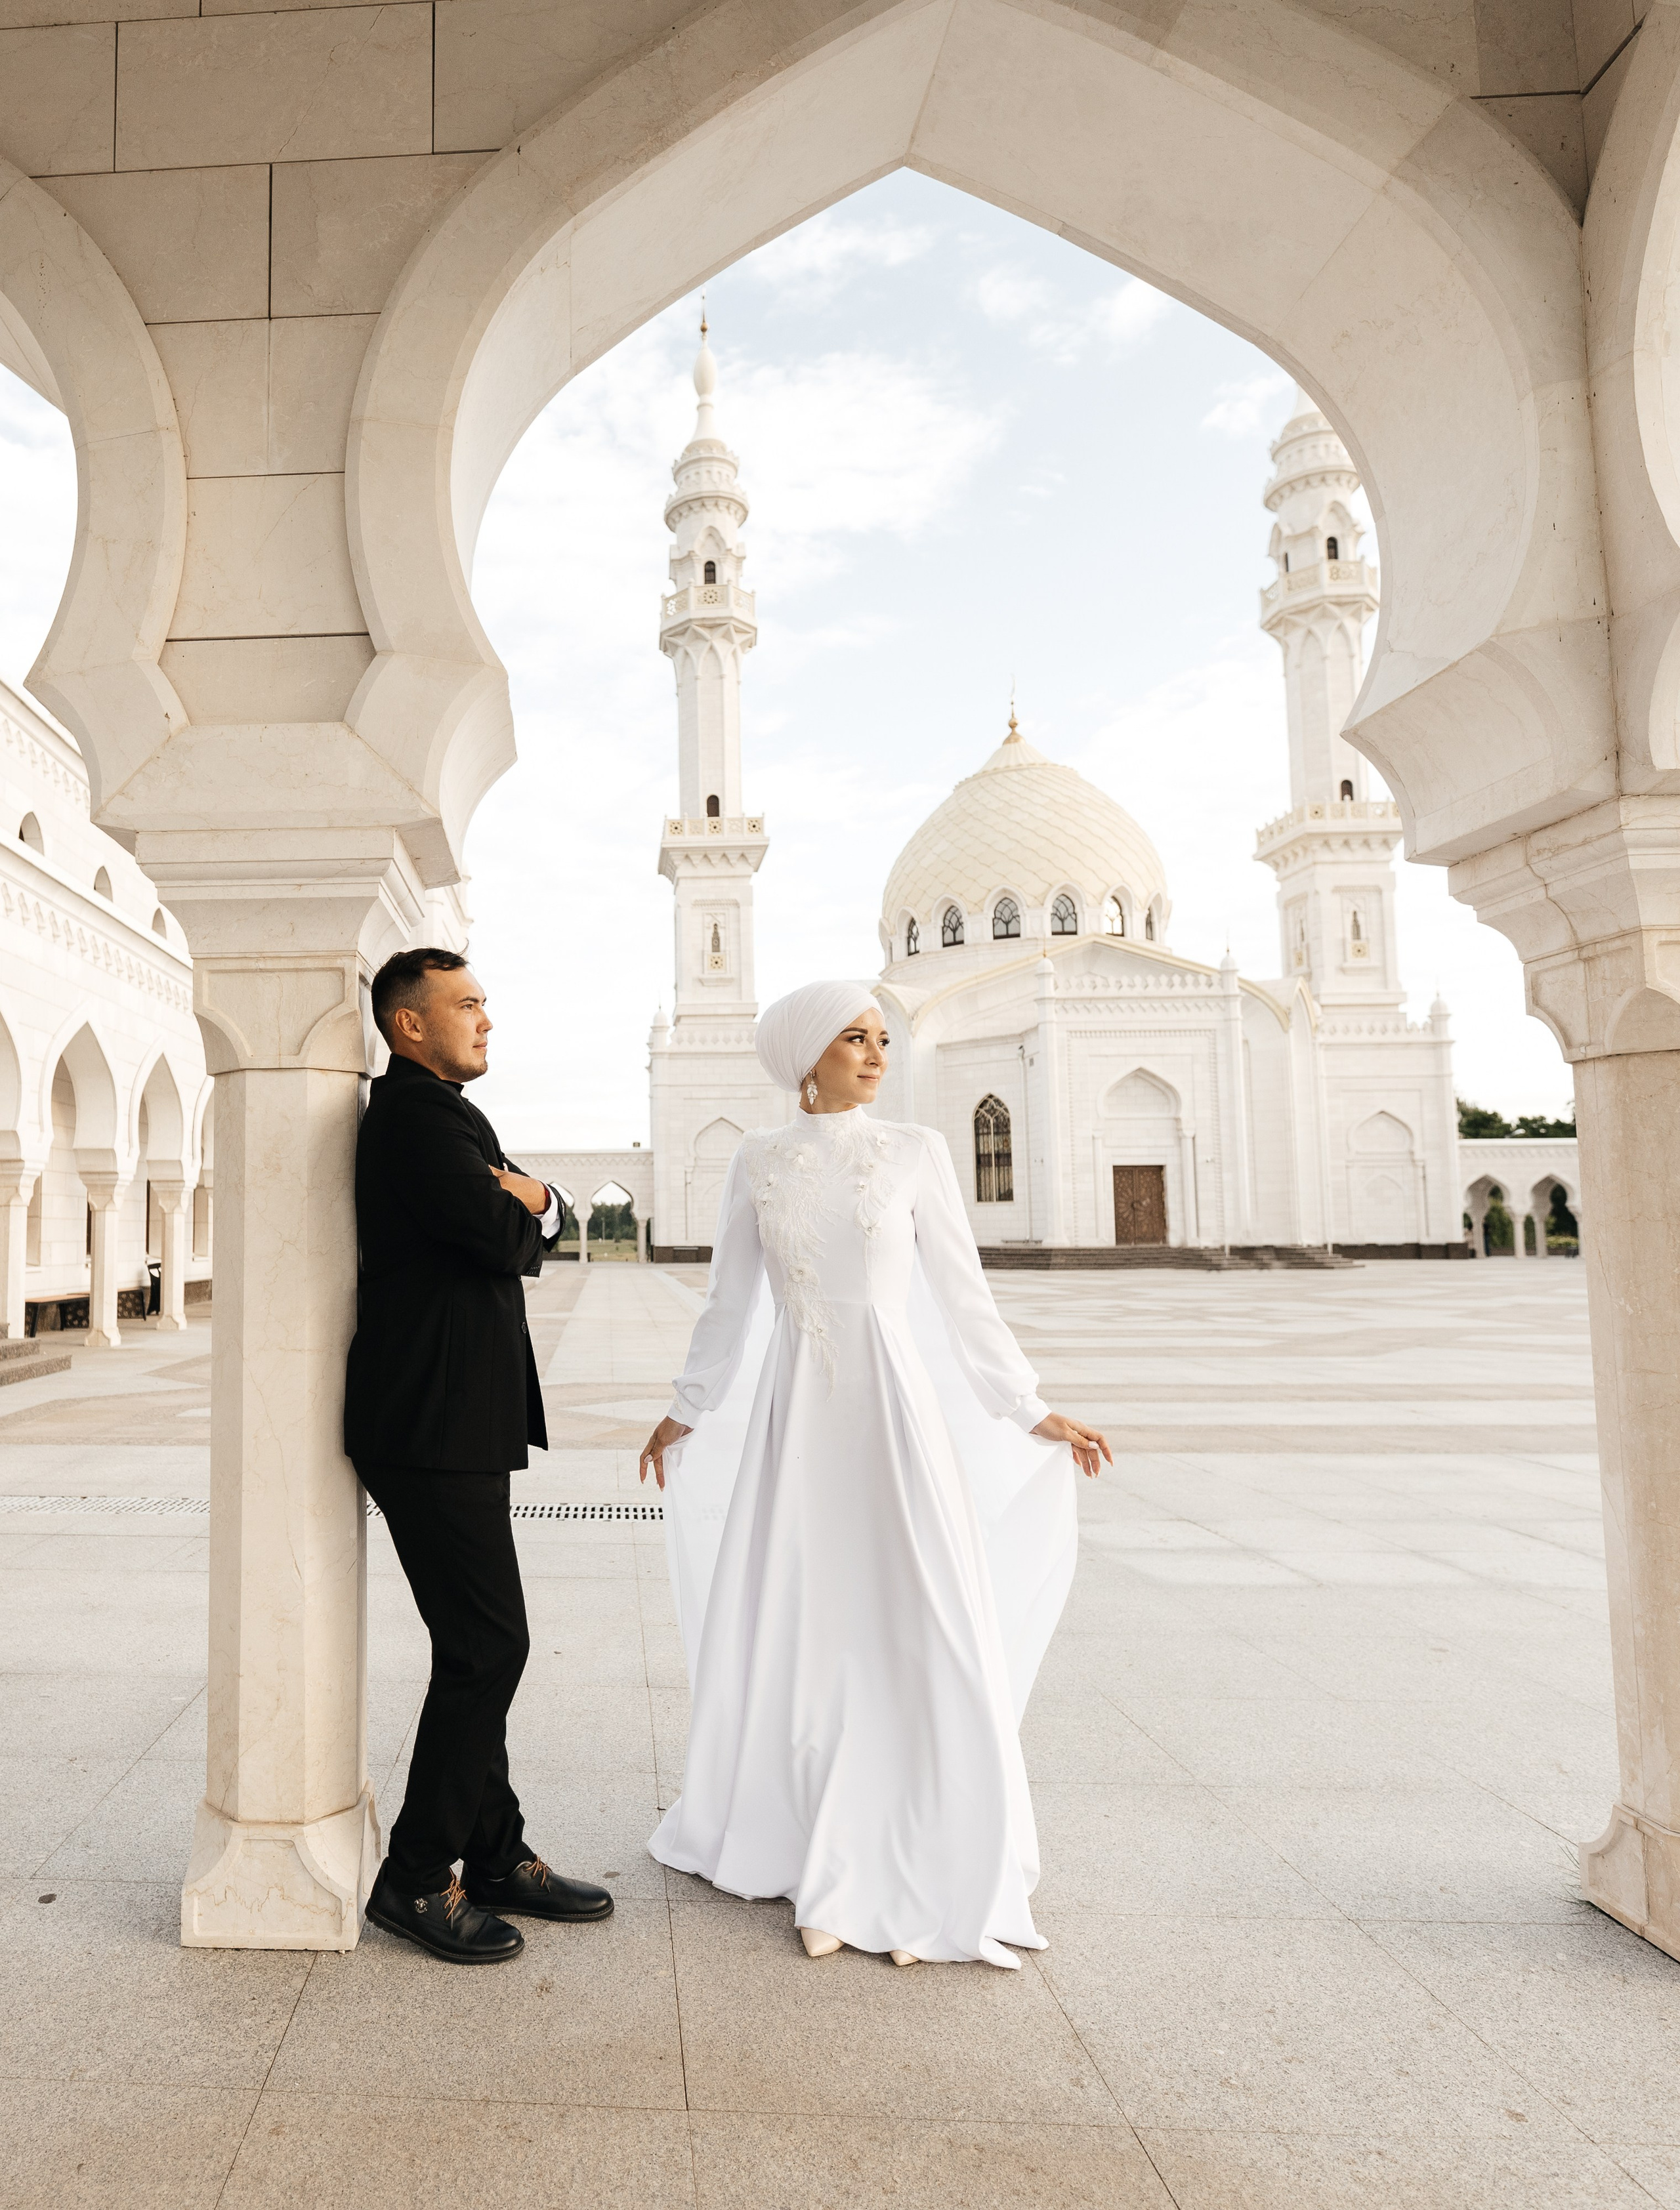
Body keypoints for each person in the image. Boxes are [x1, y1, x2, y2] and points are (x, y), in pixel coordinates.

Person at [639, 980, 1110, 1968]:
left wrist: (1028, 1405)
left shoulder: (915, 1152)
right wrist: (687, 1408)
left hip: (893, 1412)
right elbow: (728, 1302)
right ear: (806, 1054)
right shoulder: (757, 1160)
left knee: (916, 1609)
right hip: (795, 1412)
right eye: (855, 1038)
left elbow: (964, 1296)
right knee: (809, 1614)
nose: (876, 1055)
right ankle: (813, 1841)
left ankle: (916, 1848)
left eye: (882, 1039)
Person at [346, 946, 614, 1964]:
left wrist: (524, 1203)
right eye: (466, 1005)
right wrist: (536, 1199)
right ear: (408, 1024)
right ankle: (418, 1877)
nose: (486, 1019)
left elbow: (510, 1236)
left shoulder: (443, 1114)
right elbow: (506, 1239)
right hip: (429, 1424)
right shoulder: (417, 1119)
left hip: (448, 1419)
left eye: (486, 1002)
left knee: (477, 1645)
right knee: (488, 1648)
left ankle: (495, 1853)